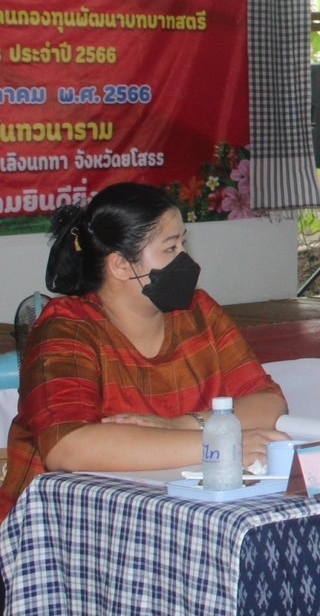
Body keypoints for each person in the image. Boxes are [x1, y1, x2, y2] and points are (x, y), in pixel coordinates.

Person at [0, 184, 287, 522]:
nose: (187, 260)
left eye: (183, 243)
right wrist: (217, 446)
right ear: (121, 265)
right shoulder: (66, 329)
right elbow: (69, 447)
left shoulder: (198, 313)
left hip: (171, 515)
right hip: (59, 529)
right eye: (170, 248)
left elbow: (269, 402)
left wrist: (180, 426)